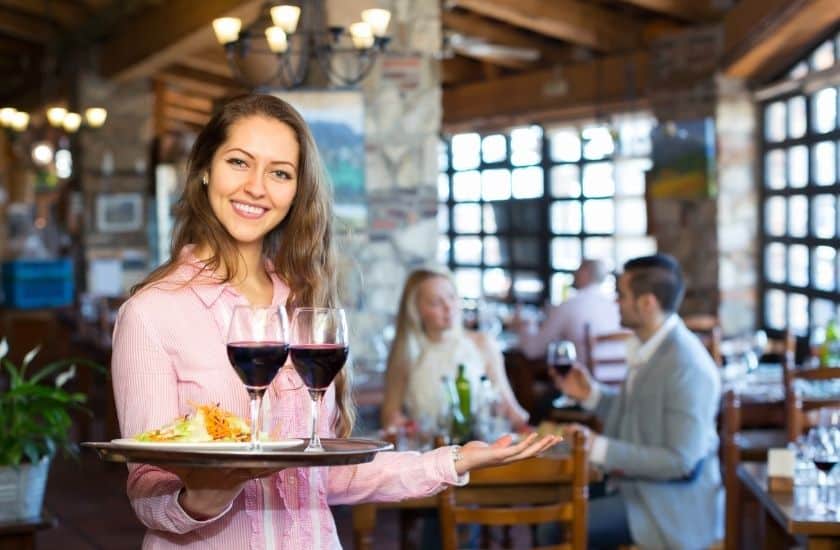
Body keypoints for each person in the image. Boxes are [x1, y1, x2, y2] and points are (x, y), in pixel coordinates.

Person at [110, 94, 557, 549]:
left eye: (280, 172)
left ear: (297, 190)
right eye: (239, 162)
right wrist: (205, 497)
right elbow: (147, 489)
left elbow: (323, 477)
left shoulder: (303, 301)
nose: (257, 187)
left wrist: (456, 461)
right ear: (205, 168)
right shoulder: (152, 313)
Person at [546, 253, 723, 549]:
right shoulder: (652, 346)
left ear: (647, 303)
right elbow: (644, 415)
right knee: (554, 503)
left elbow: (680, 461)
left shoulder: (687, 365)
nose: (615, 302)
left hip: (668, 507)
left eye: (621, 295)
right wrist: (593, 396)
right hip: (636, 488)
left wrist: (598, 448)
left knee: (555, 524)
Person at [381, 267, 530, 433]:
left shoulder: (483, 344)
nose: (448, 307)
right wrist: (403, 426)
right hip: (430, 453)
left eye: (452, 297)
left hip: (481, 449)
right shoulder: (406, 353)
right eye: (436, 302)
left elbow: (511, 409)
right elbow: (390, 417)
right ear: (416, 311)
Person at [515, 258, 620, 365]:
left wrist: (525, 325)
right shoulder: (617, 306)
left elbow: (532, 350)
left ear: (585, 273)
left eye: (578, 270)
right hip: (622, 379)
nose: (574, 274)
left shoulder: (568, 306)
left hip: (582, 379)